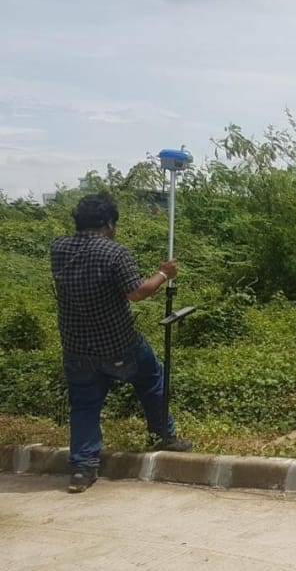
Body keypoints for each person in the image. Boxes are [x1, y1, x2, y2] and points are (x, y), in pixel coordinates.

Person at [50, 193, 193, 494]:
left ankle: (82, 469)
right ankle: (163, 436)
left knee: (84, 405)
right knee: (152, 379)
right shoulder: (114, 253)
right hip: (119, 344)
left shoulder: (58, 248)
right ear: (108, 223)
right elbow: (137, 292)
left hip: (76, 347)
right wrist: (163, 274)